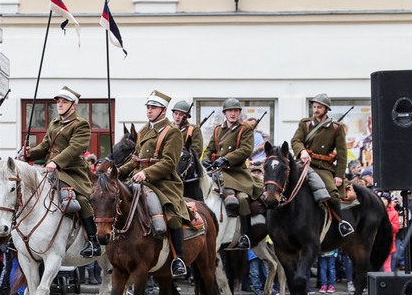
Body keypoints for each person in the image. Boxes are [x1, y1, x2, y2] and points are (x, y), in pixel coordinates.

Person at [117, 90, 191, 277]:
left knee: (171, 215)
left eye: (154, 108)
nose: (149, 111)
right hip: (137, 178)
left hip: (163, 182)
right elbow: (135, 160)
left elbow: (169, 163)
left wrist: (146, 173)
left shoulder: (172, 132)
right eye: (148, 107)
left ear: (163, 111)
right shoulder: (143, 131)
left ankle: (178, 259)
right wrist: (118, 171)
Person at [21, 86, 101, 258]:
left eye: (64, 101)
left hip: (72, 171)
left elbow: (74, 148)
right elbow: (45, 146)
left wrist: (56, 162)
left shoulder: (81, 124)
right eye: (58, 101)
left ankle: (93, 241)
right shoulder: (54, 123)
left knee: (79, 199)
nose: (60, 104)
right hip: (52, 169)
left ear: (73, 105)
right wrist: (30, 153)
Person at [291, 93, 354, 237]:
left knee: (332, 193)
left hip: (322, 167)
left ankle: (341, 223)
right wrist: (302, 152)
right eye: (314, 107)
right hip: (304, 164)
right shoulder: (305, 124)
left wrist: (339, 175)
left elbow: (342, 154)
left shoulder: (336, 128)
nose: (316, 109)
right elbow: (295, 141)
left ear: (326, 109)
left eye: (319, 107)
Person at [202, 98, 259, 249]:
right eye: (230, 111)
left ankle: (245, 236)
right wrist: (205, 159)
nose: (233, 113)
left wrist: (226, 159)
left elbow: (246, 150)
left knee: (242, 198)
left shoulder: (245, 129)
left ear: (239, 112)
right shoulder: (217, 129)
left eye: (236, 111)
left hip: (237, 173)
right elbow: (209, 148)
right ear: (225, 113)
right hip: (216, 172)